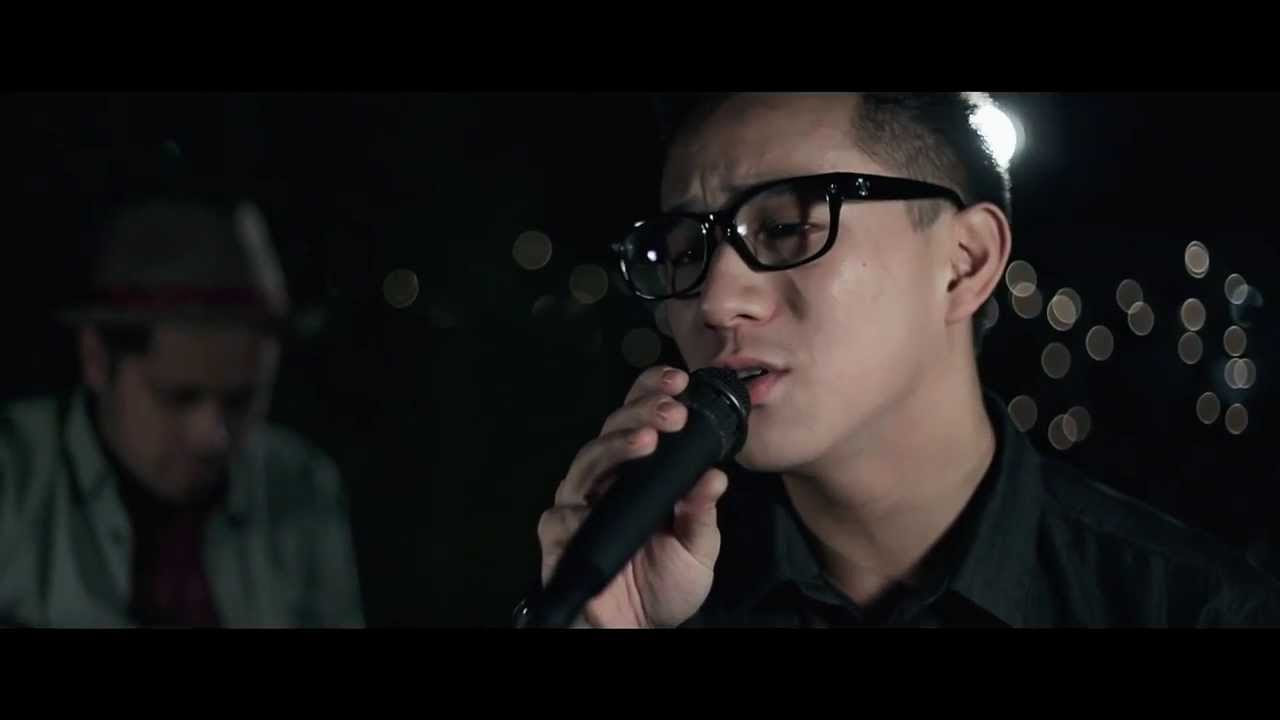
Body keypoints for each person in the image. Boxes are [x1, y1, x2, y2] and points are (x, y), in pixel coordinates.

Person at [528, 92, 1280, 627]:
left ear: (964, 262)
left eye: (786, 227)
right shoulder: (656, 585)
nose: (717, 301)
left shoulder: (1191, 608)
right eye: (685, 249)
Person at [0, 195, 364, 627]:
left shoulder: (301, 487)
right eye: (178, 397)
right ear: (96, 359)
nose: (213, 437)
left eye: (242, 400)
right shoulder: (12, 481)